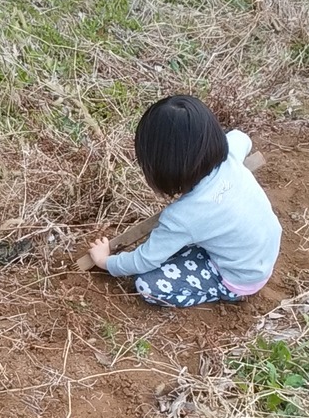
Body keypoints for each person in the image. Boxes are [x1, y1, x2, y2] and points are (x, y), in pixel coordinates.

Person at [89, 95, 281, 308]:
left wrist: (106, 262)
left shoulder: (183, 217)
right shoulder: (231, 155)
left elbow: (145, 259)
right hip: (261, 254)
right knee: (192, 237)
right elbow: (241, 137)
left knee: (147, 285)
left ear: (161, 167)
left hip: (239, 277)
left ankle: (225, 293)